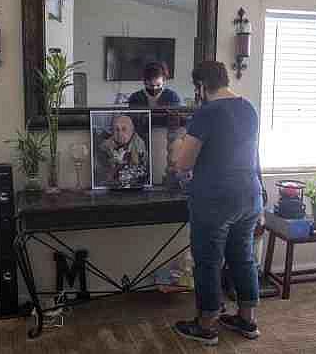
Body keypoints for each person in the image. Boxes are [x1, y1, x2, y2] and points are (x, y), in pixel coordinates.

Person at [170, 61, 263, 345]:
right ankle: (247, 321)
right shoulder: (248, 108)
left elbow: (183, 163)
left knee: (208, 262)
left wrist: (177, 145)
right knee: (243, 257)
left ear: (200, 86)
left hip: (215, 199)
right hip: (249, 195)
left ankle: (206, 325)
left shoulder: (207, 113)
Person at [98, 115, 148, 187]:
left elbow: (138, 168)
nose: (120, 134)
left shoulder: (138, 144)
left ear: (132, 131)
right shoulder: (106, 144)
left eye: (124, 129)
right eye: (117, 130)